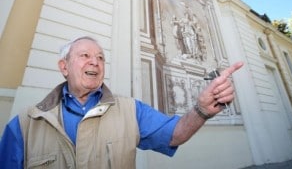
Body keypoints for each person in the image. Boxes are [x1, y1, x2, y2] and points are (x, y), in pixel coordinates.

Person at [0, 36, 243, 168]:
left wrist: (201, 110)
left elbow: (175, 134)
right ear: (64, 67)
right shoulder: (24, 124)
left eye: (101, 58)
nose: (95, 62)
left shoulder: (131, 110)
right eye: (85, 56)